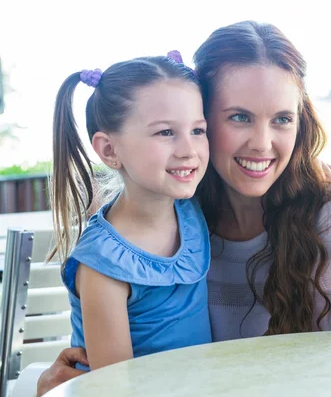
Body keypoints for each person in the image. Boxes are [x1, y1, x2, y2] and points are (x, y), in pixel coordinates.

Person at [38, 21, 331, 395]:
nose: (263, 144)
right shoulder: (172, 210)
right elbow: (118, 346)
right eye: (238, 117)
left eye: (282, 119)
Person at [48, 51, 212, 371]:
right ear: (110, 150)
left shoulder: (191, 209)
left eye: (198, 130)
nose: (189, 150)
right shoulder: (103, 265)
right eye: (165, 132)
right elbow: (115, 388)